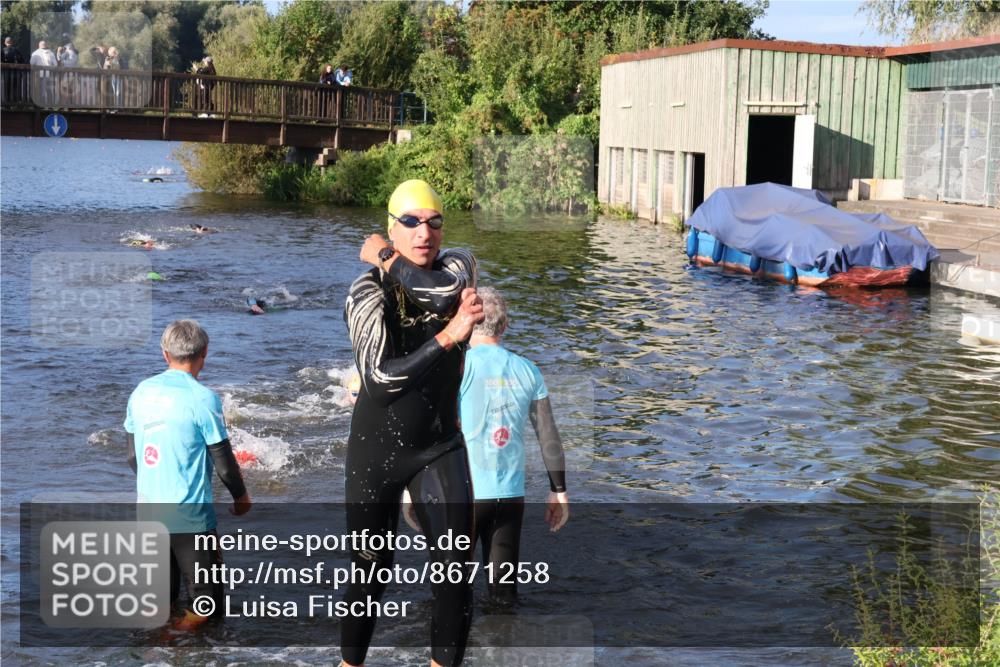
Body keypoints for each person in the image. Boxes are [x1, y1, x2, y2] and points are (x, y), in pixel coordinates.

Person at [342, 179, 482, 667]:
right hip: (376, 452)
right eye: (410, 222)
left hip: (439, 445)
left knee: (456, 569)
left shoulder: (457, 265)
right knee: (369, 573)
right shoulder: (365, 292)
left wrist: (385, 256)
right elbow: (380, 380)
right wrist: (449, 339)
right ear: (391, 228)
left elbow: (443, 295)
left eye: (434, 221)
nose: (425, 232)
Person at [419, 286, 569, 607]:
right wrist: (559, 490)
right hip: (510, 497)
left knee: (450, 593)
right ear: (505, 326)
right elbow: (548, 434)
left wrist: (410, 491)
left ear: (469, 322)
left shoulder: (457, 367)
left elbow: (429, 430)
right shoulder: (529, 370)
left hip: (465, 496)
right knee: (503, 596)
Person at [124, 320, 252, 630]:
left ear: (164, 353)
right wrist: (242, 497)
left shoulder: (141, 392)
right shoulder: (203, 398)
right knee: (206, 605)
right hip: (191, 516)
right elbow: (224, 464)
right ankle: (172, 642)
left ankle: (158, 651)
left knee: (162, 599)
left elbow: (132, 456)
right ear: (204, 352)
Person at [29, 40, 57, 106]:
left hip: (38, 74)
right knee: (49, 90)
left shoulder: (35, 53)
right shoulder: (51, 53)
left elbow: (31, 63)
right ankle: (50, 105)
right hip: (49, 74)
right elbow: (55, 65)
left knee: (39, 90)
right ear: (46, 45)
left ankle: (40, 105)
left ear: (39, 46)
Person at [2, 37, 25, 104]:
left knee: (7, 88)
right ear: (12, 42)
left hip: (6, 73)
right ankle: (16, 102)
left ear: (5, 43)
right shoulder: (16, 50)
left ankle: (7, 103)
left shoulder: (2, 50)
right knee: (16, 88)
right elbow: (22, 60)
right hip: (17, 73)